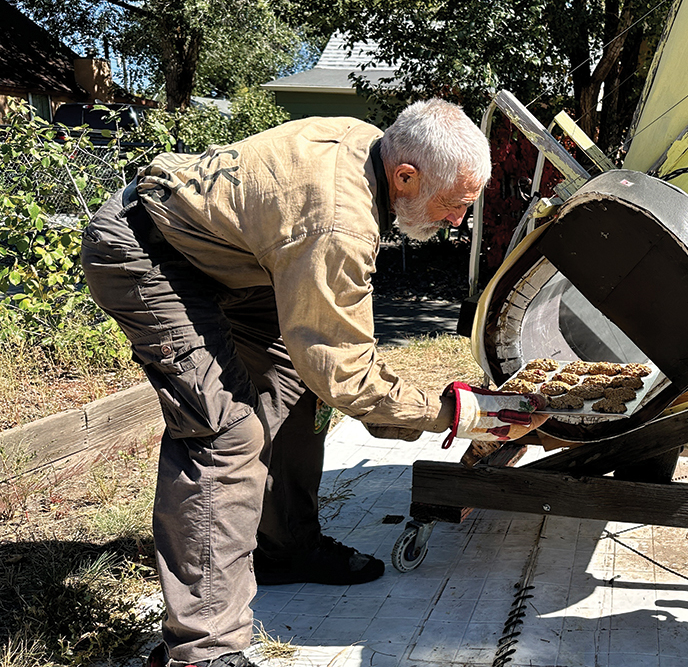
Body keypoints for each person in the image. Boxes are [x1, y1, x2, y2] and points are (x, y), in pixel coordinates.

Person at [81, 99, 546, 667]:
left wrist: (395, 408)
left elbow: (331, 356)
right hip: (148, 251)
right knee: (224, 436)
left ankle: (283, 548)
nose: (457, 222)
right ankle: (201, 650)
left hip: (238, 262)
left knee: (295, 389)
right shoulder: (337, 221)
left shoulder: (372, 144)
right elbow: (345, 371)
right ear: (406, 176)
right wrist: (460, 413)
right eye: (454, 206)